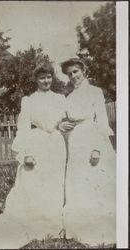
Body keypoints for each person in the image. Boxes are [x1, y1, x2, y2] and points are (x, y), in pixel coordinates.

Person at [0, 63, 68, 249]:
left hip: (57, 144)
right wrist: (26, 153)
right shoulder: (29, 100)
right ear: (36, 80)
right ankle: (38, 221)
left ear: (53, 77)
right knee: (35, 181)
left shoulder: (60, 98)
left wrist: (62, 126)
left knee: (55, 181)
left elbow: (66, 120)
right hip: (38, 142)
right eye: (42, 78)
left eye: (49, 76)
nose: (46, 81)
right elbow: (24, 126)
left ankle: (53, 221)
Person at [59, 58, 116, 247]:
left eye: (76, 71)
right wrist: (61, 125)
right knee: (78, 182)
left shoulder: (95, 92)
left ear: (84, 70)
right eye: (69, 74)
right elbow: (63, 119)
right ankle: (80, 228)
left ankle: (99, 228)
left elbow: (101, 120)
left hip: (92, 138)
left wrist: (97, 148)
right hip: (75, 142)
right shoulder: (69, 97)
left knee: (95, 180)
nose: (73, 76)